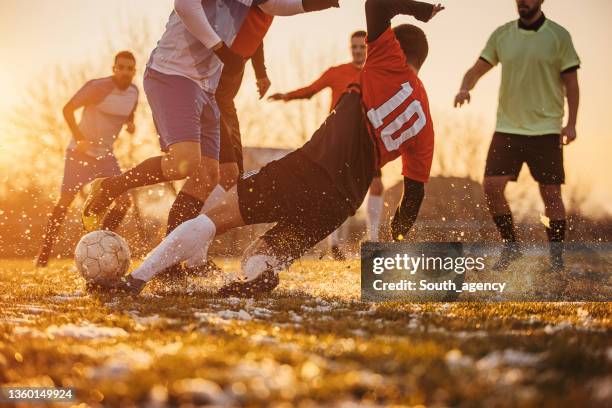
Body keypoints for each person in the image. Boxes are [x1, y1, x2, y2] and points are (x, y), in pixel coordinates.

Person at [115, 0, 444, 297]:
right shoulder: (426, 124)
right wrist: (398, 240)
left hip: (306, 169)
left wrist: (420, 10)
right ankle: (260, 274)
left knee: (216, 217)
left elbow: (377, 4)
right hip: (342, 203)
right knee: (260, 254)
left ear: (395, 48)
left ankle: (138, 278)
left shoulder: (388, 62)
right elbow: (413, 196)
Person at [81, 0, 339, 236]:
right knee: (184, 161)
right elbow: (185, 5)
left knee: (216, 174)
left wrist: (322, 2)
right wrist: (219, 48)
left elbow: (273, 5)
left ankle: (172, 258)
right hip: (172, 74)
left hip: (206, 87)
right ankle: (110, 187)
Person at [454, 0, 580, 271]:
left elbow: (572, 83)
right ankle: (511, 246)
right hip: (508, 128)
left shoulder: (559, 36)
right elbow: (476, 70)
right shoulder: (502, 34)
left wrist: (571, 124)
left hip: (546, 130)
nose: (522, 2)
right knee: (491, 187)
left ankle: (556, 259)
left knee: (551, 194)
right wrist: (465, 88)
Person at [269, 30, 384, 259]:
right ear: (350, 49)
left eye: (362, 47)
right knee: (335, 188)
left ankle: (373, 240)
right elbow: (311, 90)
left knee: (377, 185)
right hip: (338, 139)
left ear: (369, 48)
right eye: (355, 47)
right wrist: (287, 96)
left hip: (366, 139)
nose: (358, 50)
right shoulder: (337, 72)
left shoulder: (377, 75)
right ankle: (334, 244)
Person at [36, 51, 138, 267]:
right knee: (66, 200)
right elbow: (67, 109)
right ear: (114, 68)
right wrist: (80, 138)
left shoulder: (134, 92)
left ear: (134, 71)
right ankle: (44, 253)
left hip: (105, 156)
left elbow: (129, 113)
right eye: (121, 67)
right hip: (79, 153)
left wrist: (130, 124)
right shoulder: (97, 87)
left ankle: (100, 243)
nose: (125, 72)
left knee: (123, 201)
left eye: (130, 68)